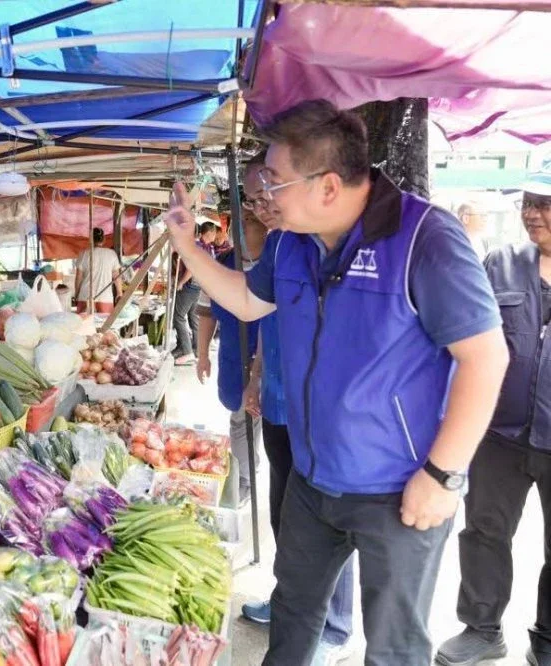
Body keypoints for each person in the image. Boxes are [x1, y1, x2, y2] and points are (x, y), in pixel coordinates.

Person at [166, 99, 508, 665]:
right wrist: (187, 246)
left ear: (327, 186)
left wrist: (443, 474)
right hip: (312, 477)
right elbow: (250, 302)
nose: (262, 198)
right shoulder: (289, 241)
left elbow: (486, 357)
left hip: (400, 489)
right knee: (295, 612)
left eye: (273, 182)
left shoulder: (425, 239)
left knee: (394, 643)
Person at [237, 151, 355, 664]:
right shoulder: (279, 250)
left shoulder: (328, 245)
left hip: (324, 413)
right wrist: (256, 379)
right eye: (254, 198)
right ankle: (289, 602)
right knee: (288, 509)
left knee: (333, 517)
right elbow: (265, 323)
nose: (264, 205)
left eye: (270, 192)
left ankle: (334, 625)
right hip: (280, 403)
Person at [436, 170, 551, 666]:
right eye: (527, 201)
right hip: (499, 433)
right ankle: (481, 629)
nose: (531, 212)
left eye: (544, 203)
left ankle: (547, 638)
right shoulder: (500, 263)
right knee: (484, 531)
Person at [196, 210, 264, 506]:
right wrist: (202, 355)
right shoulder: (222, 264)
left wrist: (259, 373)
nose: (239, 228)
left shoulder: (276, 263)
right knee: (240, 419)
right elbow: (206, 313)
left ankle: (248, 474)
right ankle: (245, 477)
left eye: (248, 222)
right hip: (233, 358)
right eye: (236, 222)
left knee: (261, 422)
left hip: (272, 360)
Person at [174, 222, 221, 365]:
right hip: (201, 287)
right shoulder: (208, 248)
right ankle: (196, 349)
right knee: (194, 318)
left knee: (178, 317)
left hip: (192, 286)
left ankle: (187, 352)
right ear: (210, 233)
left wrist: (181, 282)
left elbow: (192, 269)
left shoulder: (199, 247)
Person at [74, 228, 121, 314]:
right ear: (104, 239)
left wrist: (76, 294)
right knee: (105, 326)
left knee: (85, 326)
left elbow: (78, 278)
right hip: (105, 298)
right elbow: (116, 277)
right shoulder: (111, 254)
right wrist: (119, 293)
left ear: (90, 239)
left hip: (85, 297)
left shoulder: (84, 254)